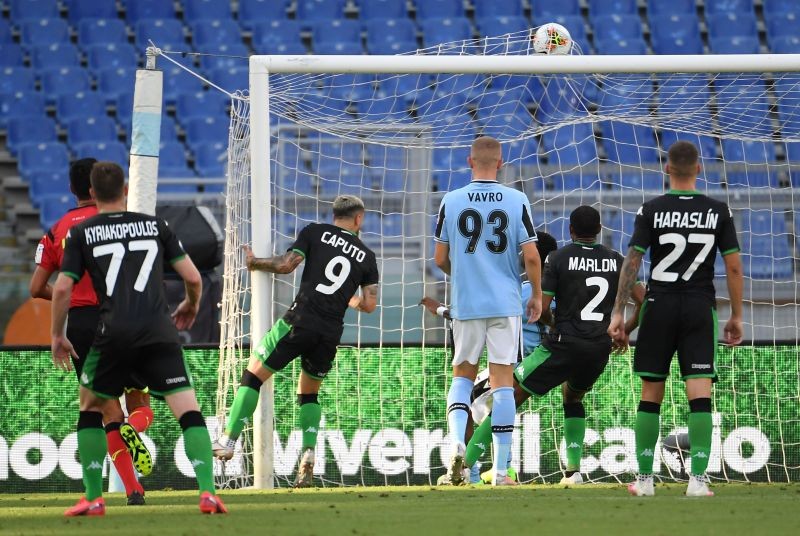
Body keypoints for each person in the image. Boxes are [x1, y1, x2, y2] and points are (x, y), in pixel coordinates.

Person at [51, 162, 226, 516]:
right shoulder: (156, 225)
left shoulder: (83, 232)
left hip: (111, 332)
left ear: (93, 193)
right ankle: (208, 493)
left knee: (90, 409)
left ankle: (93, 498)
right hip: (159, 331)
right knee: (188, 411)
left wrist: (57, 334)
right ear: (126, 189)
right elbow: (193, 277)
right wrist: (190, 305)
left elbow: (64, 287)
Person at [464, 206, 646, 485]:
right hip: (598, 348)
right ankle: (573, 473)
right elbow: (644, 301)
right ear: (599, 230)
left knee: (507, 397)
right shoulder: (617, 260)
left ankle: (464, 466)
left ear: (570, 231)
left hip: (562, 344)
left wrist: (553, 324)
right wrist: (624, 331)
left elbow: (542, 307)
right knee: (573, 398)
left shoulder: (558, 259)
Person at [212, 195, 380, 488]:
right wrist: (346, 299)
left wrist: (254, 263)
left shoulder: (315, 232)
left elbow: (288, 265)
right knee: (308, 393)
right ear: (359, 219)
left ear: (335, 215)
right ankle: (310, 452)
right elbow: (369, 305)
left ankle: (228, 441)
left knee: (253, 375)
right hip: (330, 332)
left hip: (299, 320)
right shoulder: (367, 256)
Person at [608, 141, 744, 498]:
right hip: (700, 306)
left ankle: (645, 480)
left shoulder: (651, 209)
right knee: (700, 392)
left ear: (666, 169)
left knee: (651, 392)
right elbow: (732, 265)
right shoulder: (719, 211)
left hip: (659, 304)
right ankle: (698, 481)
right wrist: (737, 316)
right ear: (699, 169)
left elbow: (633, 261)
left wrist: (619, 313)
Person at [31, 158, 153, 506]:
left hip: (84, 324)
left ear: (75, 189)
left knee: (106, 413)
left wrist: (65, 300)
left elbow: (37, 286)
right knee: (139, 403)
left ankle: (133, 490)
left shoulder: (57, 230)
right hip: (126, 315)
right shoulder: (122, 224)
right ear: (97, 188)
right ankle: (137, 430)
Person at [433, 136, 542, 486]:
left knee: (462, 377)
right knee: (502, 384)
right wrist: (537, 293)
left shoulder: (450, 200)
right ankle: (502, 470)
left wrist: (465, 276)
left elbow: (439, 259)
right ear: (500, 163)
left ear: (469, 162)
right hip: (505, 303)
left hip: (466, 303)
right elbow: (531, 256)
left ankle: (457, 451)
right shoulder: (516, 199)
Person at [421, 231, 558, 485]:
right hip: (547, 361)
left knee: (471, 398)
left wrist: (441, 310)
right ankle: (502, 468)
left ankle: (469, 472)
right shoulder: (556, 290)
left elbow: (482, 314)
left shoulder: (524, 291)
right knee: (497, 406)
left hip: (519, 364)